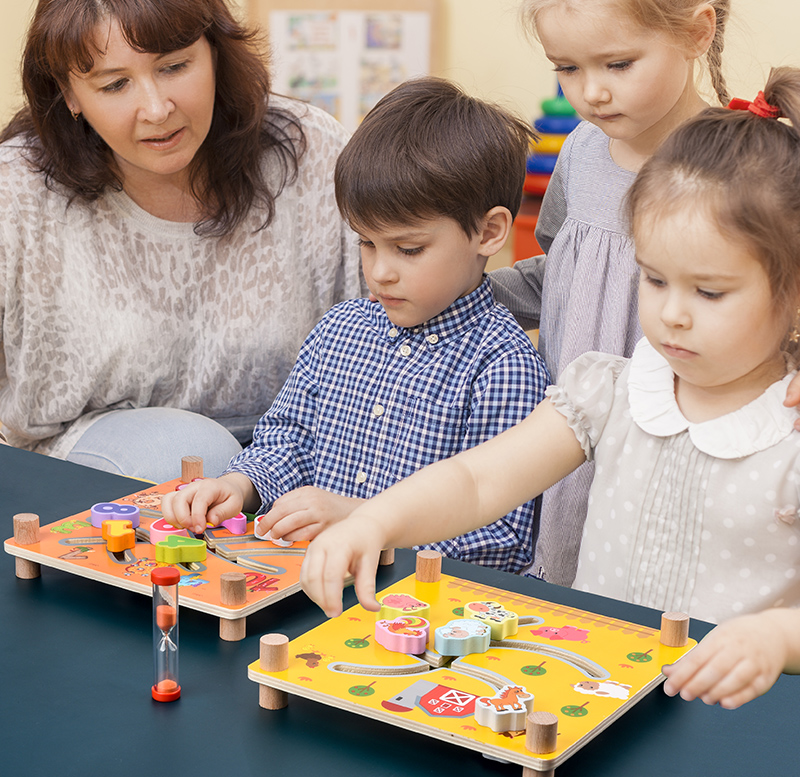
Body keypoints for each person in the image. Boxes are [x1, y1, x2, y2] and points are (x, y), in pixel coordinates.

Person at [299, 68, 800, 710]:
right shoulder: (609, 390)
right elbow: (479, 481)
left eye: (709, 291)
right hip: (598, 699)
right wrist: (375, 519)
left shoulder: (787, 433)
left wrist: (776, 638)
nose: (672, 314)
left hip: (739, 725)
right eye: (653, 279)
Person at [162, 77, 550, 572]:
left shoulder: (504, 365)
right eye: (367, 242)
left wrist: (371, 523)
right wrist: (239, 486)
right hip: (306, 581)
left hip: (410, 603)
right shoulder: (340, 329)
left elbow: (503, 537)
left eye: (408, 249)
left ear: (489, 232)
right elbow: (288, 441)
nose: (380, 271)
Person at [0, 0, 362, 483]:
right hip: (91, 463)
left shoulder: (311, 150)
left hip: (294, 453)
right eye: (115, 85)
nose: (156, 109)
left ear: (215, 53)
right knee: (193, 459)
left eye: (174, 67)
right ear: (69, 93)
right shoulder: (15, 191)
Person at [489, 0, 733, 586]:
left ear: (697, 32)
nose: (591, 93)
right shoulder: (579, 151)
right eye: (567, 68)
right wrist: (457, 291)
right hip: (568, 436)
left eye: (618, 64)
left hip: (676, 445)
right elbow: (559, 276)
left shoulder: (741, 166)